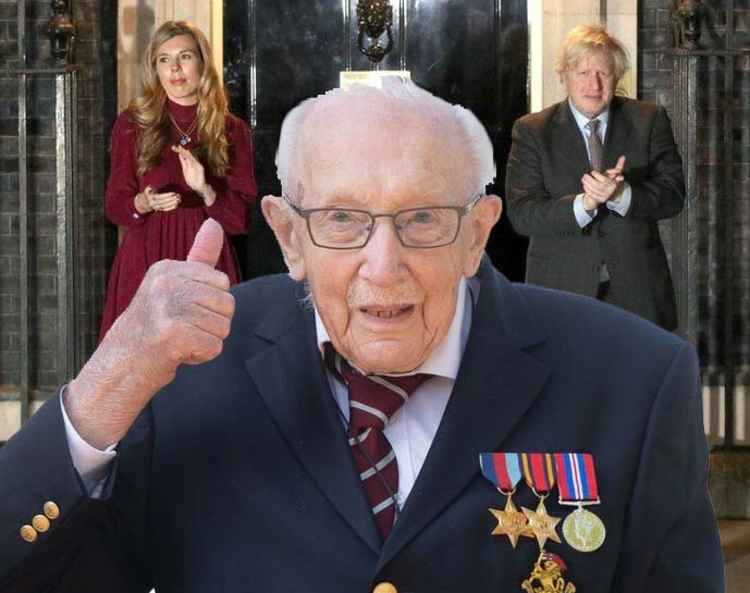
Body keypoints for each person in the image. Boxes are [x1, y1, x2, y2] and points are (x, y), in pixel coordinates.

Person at [0, 80, 722, 593]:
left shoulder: (635, 378)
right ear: (288, 237)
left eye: (423, 219)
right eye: (342, 219)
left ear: (477, 234)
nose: (384, 266)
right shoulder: (185, 367)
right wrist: (104, 388)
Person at [505, 24, 684, 330]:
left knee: (634, 377)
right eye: (582, 73)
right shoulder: (532, 130)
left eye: (603, 73)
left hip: (638, 294)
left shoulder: (649, 120)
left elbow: (674, 196)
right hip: (560, 291)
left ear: (617, 76)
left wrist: (621, 195)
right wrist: (583, 205)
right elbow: (523, 215)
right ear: (564, 76)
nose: (594, 84)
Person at [99, 20, 257, 340]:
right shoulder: (132, 124)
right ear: (155, 69)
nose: (175, 68)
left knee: (208, 371)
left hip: (206, 258)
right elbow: (115, 206)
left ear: (201, 62)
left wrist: (206, 190)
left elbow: (240, 220)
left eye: (185, 56)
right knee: (144, 368)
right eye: (164, 59)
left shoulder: (231, 129)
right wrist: (141, 203)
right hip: (146, 260)